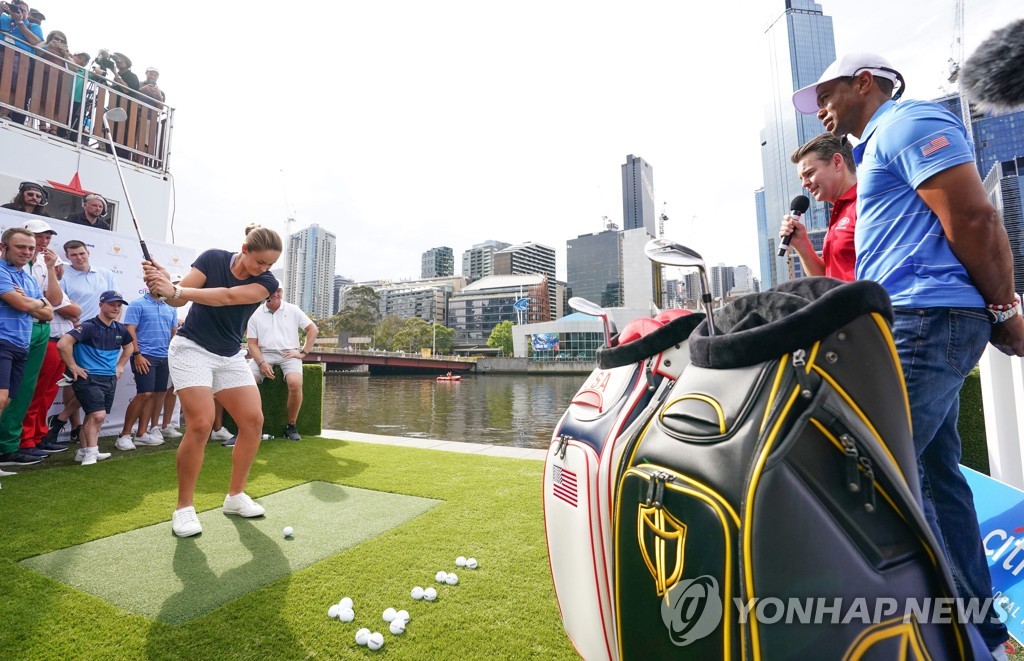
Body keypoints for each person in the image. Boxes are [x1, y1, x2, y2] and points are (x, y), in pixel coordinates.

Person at [793, 51, 1023, 659]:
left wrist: (1003, 311)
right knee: (937, 484)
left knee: (862, 479)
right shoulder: (881, 144)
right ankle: (984, 640)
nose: (819, 108)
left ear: (864, 82)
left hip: (925, 323)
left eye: (826, 92)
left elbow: (974, 217)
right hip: (914, 323)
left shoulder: (908, 122)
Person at [143, 224, 281, 538]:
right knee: (201, 423)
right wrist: (162, 286)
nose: (265, 269)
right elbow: (176, 301)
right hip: (191, 349)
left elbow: (227, 297)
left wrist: (175, 289)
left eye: (269, 265)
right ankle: (184, 509)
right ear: (244, 250)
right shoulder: (213, 259)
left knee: (252, 420)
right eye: (260, 262)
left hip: (230, 355)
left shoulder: (266, 282)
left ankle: (235, 496)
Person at [43, 239, 118, 444]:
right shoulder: (64, 276)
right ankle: (75, 426)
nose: (79, 258)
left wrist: (112, 329)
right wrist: (76, 321)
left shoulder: (106, 274)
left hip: (103, 337)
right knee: (76, 380)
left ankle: (62, 419)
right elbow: (61, 305)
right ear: (67, 257)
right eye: (74, 255)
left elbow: (115, 304)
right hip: (76, 335)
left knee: (95, 381)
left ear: (88, 253)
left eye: (82, 253)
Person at [15, 219, 79, 456]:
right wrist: (46, 303)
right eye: (38, 237)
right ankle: (23, 440)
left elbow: (55, 301)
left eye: (47, 237)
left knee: (46, 392)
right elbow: (58, 305)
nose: (43, 242)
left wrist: (52, 269)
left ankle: (36, 436)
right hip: (33, 331)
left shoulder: (45, 264)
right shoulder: (15, 266)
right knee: (30, 390)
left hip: (51, 333)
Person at [57, 290, 133, 466]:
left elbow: (129, 347)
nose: (116, 308)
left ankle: (84, 451)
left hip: (109, 379)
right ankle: (92, 452)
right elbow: (63, 344)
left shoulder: (120, 328)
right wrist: (73, 366)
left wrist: (120, 365)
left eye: (118, 306)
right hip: (89, 378)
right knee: (98, 415)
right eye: (112, 304)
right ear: (101, 305)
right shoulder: (89, 326)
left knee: (94, 415)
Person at [0, 227, 53, 467]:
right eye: (20, 247)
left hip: (21, 344)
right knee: (1, 399)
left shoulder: (28, 277)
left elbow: (49, 312)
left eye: (30, 249)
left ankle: (5, 452)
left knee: (9, 401)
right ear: (4, 247)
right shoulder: (1, 271)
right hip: (3, 342)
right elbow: (20, 305)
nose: (26, 252)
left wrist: (36, 302)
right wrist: (36, 303)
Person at [778, 133, 858, 280]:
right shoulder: (839, 213)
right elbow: (826, 279)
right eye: (802, 178)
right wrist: (801, 244)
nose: (804, 183)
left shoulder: (866, 204)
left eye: (809, 173)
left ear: (837, 162)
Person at [245, 287, 317, 442]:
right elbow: (252, 344)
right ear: (265, 293)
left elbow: (313, 330)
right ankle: (246, 427)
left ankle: (291, 426)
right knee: (246, 383)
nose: (276, 294)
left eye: (279, 291)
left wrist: (303, 352)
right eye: (272, 291)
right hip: (263, 354)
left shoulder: (293, 309)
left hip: (289, 353)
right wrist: (262, 363)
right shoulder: (255, 314)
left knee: (295, 383)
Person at [115, 289, 177, 451]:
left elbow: (173, 332)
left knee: (156, 394)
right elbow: (130, 330)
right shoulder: (137, 304)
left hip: (164, 358)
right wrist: (137, 354)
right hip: (144, 356)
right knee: (144, 394)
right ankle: (124, 435)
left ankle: (141, 434)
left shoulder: (171, 306)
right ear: (150, 286)